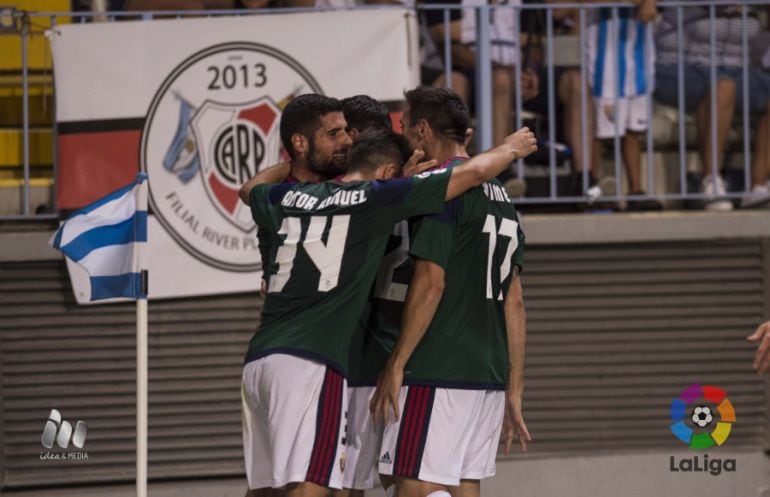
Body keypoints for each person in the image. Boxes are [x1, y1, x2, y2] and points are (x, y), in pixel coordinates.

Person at [239, 127, 537, 497]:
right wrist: (510, 148)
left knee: (267, 488)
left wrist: (290, 166)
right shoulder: (377, 198)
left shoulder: (294, 196)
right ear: (386, 174)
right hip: (320, 357)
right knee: (322, 486)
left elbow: (249, 190)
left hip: (262, 355)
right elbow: (472, 174)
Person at [371, 86, 531, 497]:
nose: (403, 137)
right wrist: (514, 386)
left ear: (423, 130)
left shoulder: (443, 189)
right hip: (489, 371)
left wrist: (397, 360)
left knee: (416, 487)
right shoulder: (504, 199)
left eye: (405, 128)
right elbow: (514, 299)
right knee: (462, 485)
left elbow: (431, 280)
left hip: (439, 364)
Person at [655, 5, 770, 210]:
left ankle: (758, 187)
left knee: (728, 84)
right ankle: (711, 182)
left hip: (735, 68)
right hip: (679, 68)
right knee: (723, 87)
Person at [587, 0, 662, 210]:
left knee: (633, 130)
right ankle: (592, 192)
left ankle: (635, 191)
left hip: (639, 61)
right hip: (606, 63)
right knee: (599, 134)